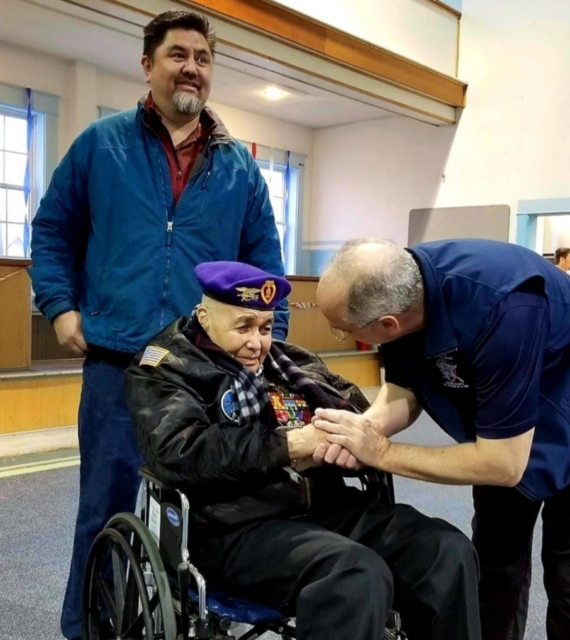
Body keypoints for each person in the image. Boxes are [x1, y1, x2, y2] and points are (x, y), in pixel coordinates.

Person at [29, 11, 287, 640]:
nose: (191, 67)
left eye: (202, 56)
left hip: (204, 371)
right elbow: (53, 230)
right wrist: (60, 306)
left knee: (208, 510)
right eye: (178, 54)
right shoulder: (102, 143)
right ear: (148, 65)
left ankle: (197, 623)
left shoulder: (239, 168)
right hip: (118, 362)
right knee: (104, 507)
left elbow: (267, 264)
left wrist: (266, 337)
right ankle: (89, 627)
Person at [124, 260, 482, 640]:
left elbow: (357, 412)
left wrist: (346, 440)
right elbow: (181, 452)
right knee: (353, 574)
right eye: (242, 326)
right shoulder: (165, 368)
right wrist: (293, 445)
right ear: (203, 316)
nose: (256, 343)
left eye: (264, 328)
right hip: (234, 526)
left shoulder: (290, 362)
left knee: (446, 551)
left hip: (324, 506)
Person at [314, 237, 570, 640]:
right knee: (494, 566)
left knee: (567, 576)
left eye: (342, 329)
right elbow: (404, 390)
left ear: (386, 325)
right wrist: (361, 430)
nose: (337, 333)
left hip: (557, 405)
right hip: (500, 418)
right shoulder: (400, 286)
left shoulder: (504, 308)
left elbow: (502, 464)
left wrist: (381, 451)